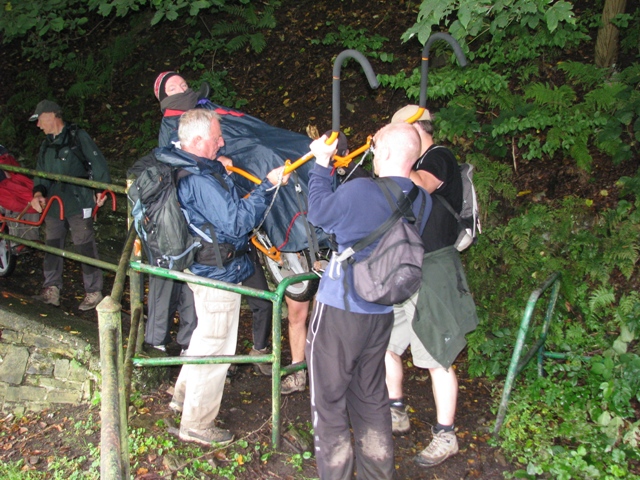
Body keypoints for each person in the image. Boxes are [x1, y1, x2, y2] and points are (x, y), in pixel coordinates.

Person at [305, 123, 432, 479]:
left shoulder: (362, 190)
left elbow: (318, 213)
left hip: (340, 312)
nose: (372, 155)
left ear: (388, 153)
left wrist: (320, 163)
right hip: (381, 312)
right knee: (370, 396)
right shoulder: (422, 201)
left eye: (375, 149)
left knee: (328, 401)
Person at [156, 108, 290, 445]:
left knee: (205, 337)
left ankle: (182, 398)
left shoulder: (189, 165)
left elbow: (219, 211)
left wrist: (221, 168)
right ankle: (197, 425)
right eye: (217, 137)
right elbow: (237, 222)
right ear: (198, 140)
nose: (222, 141)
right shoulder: (199, 180)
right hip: (216, 274)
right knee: (217, 348)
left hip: (203, 268)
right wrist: (268, 186)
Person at [385, 105, 479, 468]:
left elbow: (420, 184)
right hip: (405, 267)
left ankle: (445, 435)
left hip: (434, 270)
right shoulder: (417, 161)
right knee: (385, 344)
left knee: (438, 358)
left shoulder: (439, 156)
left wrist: (394, 164)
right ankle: (396, 411)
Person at [28, 100, 111, 310]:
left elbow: (98, 162)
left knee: (83, 242)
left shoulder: (77, 136)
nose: (38, 125)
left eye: (40, 120)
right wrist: (38, 193)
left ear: (51, 115)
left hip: (78, 197)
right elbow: (41, 174)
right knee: (53, 243)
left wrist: (100, 190)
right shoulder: (46, 144)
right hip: (55, 202)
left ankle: (94, 291)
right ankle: (51, 289)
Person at [0, 145, 40, 243]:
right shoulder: (6, 156)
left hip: (13, 196)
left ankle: (20, 245)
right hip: (19, 194)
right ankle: (25, 245)